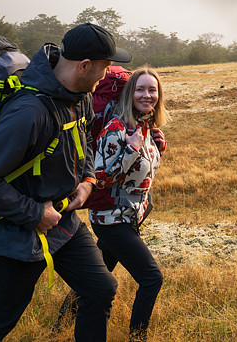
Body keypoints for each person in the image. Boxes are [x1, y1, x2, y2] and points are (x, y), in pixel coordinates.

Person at [0, 22, 132, 342]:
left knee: (100, 288)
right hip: (14, 235)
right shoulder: (28, 112)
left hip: (63, 225)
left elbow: (84, 140)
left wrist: (87, 179)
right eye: (105, 66)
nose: (107, 74)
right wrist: (34, 214)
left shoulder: (80, 97)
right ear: (84, 66)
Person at [55, 66, 170, 342]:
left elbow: (139, 173)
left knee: (96, 276)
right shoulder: (116, 128)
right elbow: (100, 177)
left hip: (129, 217)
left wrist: (156, 148)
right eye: (140, 89)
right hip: (111, 219)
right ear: (130, 94)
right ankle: (137, 337)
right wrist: (131, 149)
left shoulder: (146, 128)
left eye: (152, 90)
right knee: (151, 278)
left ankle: (59, 325)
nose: (147, 95)